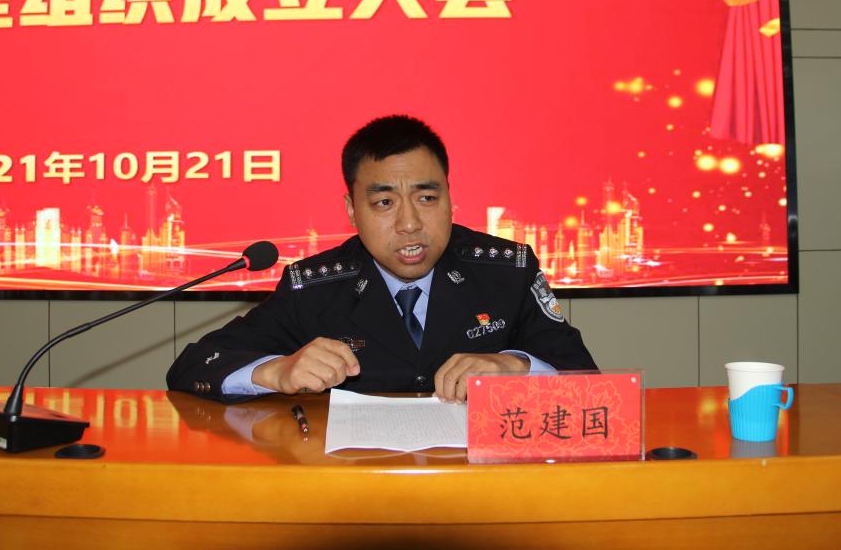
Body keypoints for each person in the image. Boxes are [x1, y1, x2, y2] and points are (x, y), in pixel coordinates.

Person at [167, 115, 597, 402]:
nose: (410, 224)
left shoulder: (506, 270)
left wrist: (517, 367)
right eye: (384, 203)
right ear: (352, 210)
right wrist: (276, 372)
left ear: (450, 198)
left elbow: (586, 379)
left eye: (427, 198)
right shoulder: (313, 287)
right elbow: (192, 366)